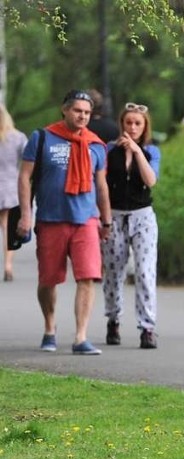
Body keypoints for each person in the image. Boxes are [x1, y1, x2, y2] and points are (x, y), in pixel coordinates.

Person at [16, 89, 112, 355]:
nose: (82, 116)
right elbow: (25, 177)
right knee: (48, 280)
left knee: (87, 277)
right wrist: (26, 214)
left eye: (87, 113)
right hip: (51, 219)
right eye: (77, 111)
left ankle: (81, 337)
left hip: (86, 220)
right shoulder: (42, 137)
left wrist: (106, 220)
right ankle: (49, 327)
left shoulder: (96, 145)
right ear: (65, 110)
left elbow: (101, 186)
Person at [101, 102, 161, 349]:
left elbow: (151, 180)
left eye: (138, 123)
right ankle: (113, 319)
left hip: (142, 217)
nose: (133, 127)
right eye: (129, 122)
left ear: (145, 126)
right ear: (122, 124)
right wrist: (102, 218)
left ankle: (147, 327)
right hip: (115, 216)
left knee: (145, 272)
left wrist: (137, 151)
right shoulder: (109, 150)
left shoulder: (151, 152)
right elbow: (101, 184)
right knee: (114, 272)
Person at [0, 104, 28, 282]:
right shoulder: (18, 137)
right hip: (10, 187)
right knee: (7, 228)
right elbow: (27, 160)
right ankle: (8, 265)